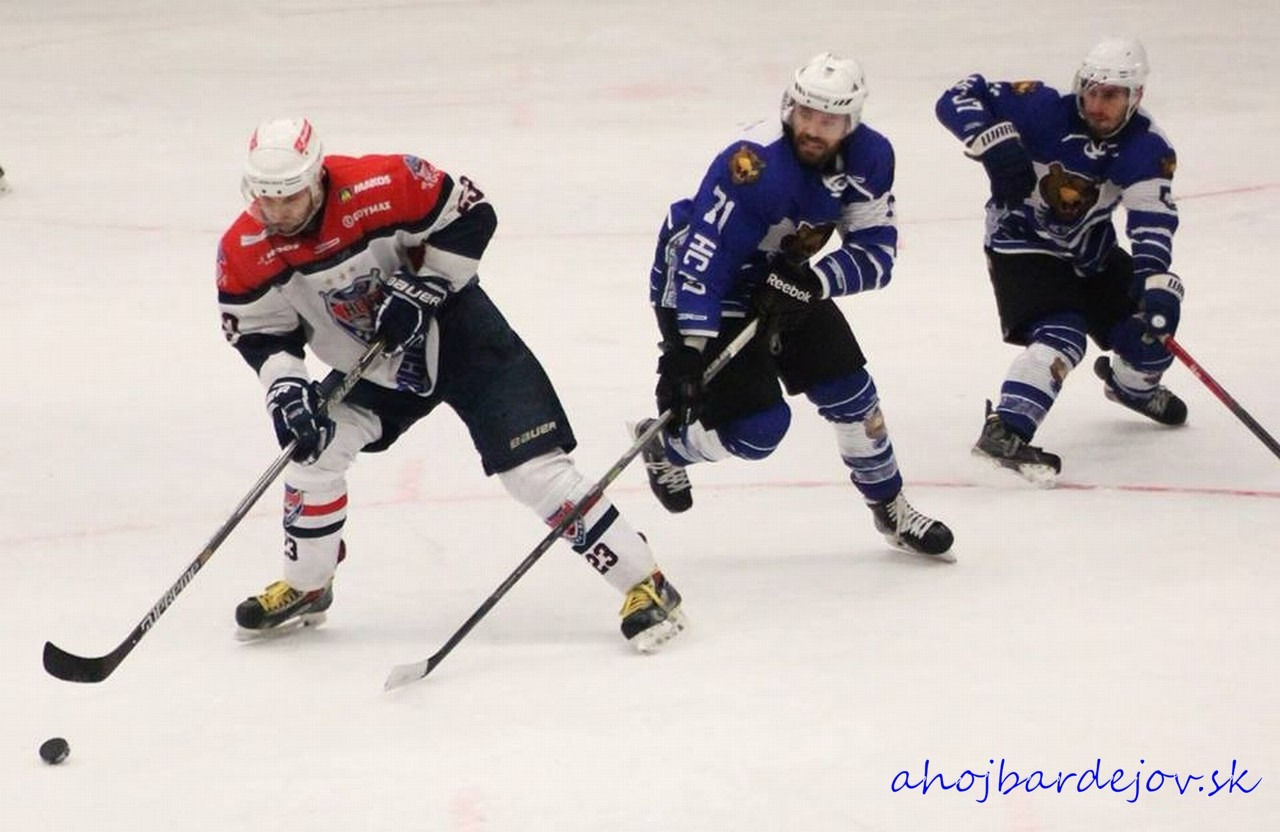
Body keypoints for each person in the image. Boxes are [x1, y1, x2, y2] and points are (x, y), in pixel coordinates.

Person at [216, 118, 684, 651]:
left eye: (290, 197)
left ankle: (645, 581)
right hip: (374, 365)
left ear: (318, 177)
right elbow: (262, 333)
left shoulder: (383, 183)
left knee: (534, 473)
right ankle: (307, 584)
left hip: (461, 338)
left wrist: (424, 288)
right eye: (266, 199)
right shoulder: (243, 248)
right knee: (312, 453)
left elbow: (473, 215)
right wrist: (286, 388)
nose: (276, 212)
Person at [634, 53, 954, 559]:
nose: (812, 129)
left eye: (828, 120)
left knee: (852, 393)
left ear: (851, 122)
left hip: (785, 277)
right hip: (710, 284)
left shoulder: (870, 158)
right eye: (806, 113)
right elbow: (705, 260)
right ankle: (668, 448)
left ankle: (890, 508)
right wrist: (687, 350)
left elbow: (876, 255)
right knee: (759, 431)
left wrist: (811, 281)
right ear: (790, 107)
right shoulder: (753, 165)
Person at [935, 37, 1186, 483]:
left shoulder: (1147, 147)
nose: (1097, 105)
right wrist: (992, 140)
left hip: (1091, 251)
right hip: (1020, 243)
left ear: (1136, 96)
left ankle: (1131, 388)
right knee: (1062, 334)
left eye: (1111, 95)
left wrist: (1152, 278)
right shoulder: (1042, 108)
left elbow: (1152, 221)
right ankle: (1007, 430)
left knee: (1148, 337)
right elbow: (958, 96)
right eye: (1091, 91)